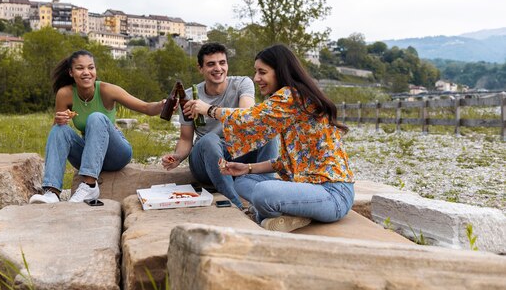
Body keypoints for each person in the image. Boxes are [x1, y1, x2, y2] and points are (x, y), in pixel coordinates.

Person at [185, 44, 354, 232]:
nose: (256, 78)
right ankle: (293, 215)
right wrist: (248, 168)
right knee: (242, 181)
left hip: (332, 194)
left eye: (262, 72)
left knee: (263, 192)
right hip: (306, 186)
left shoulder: (292, 97)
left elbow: (250, 118)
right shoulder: (286, 98)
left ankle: (273, 213)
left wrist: (209, 109)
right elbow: (286, 161)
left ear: (279, 71)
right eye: (256, 72)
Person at [30, 50, 164, 204]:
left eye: (91, 68)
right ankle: (52, 193)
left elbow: (146, 108)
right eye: (80, 68)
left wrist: (162, 105)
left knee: (96, 117)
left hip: (116, 154)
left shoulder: (107, 90)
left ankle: (90, 185)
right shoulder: (65, 94)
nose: (86, 72)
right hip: (88, 154)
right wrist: (59, 120)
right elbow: (59, 137)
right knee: (59, 129)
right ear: (71, 72)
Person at [161, 42, 278, 209]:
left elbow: (247, 117)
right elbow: (186, 139)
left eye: (222, 63)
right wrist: (177, 157)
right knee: (210, 139)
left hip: (239, 154)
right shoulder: (189, 95)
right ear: (200, 68)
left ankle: (266, 194)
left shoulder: (242, 83)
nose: (218, 68)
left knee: (268, 129)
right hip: (206, 160)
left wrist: (208, 109)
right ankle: (237, 205)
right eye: (211, 64)